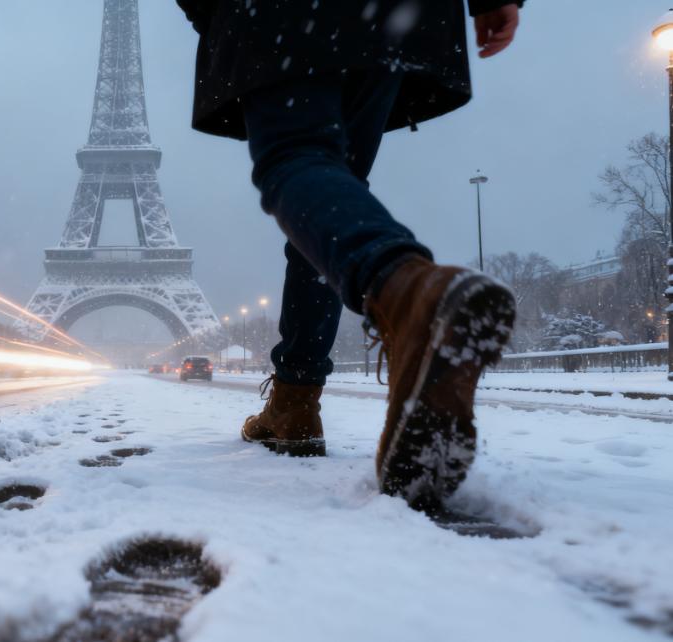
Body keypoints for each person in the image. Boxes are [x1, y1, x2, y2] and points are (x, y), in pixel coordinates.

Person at [176, 0, 522, 510]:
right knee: (331, 198)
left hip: (276, 12)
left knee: (295, 160)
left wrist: (216, 15)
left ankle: (405, 287)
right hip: (392, 13)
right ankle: (296, 401)